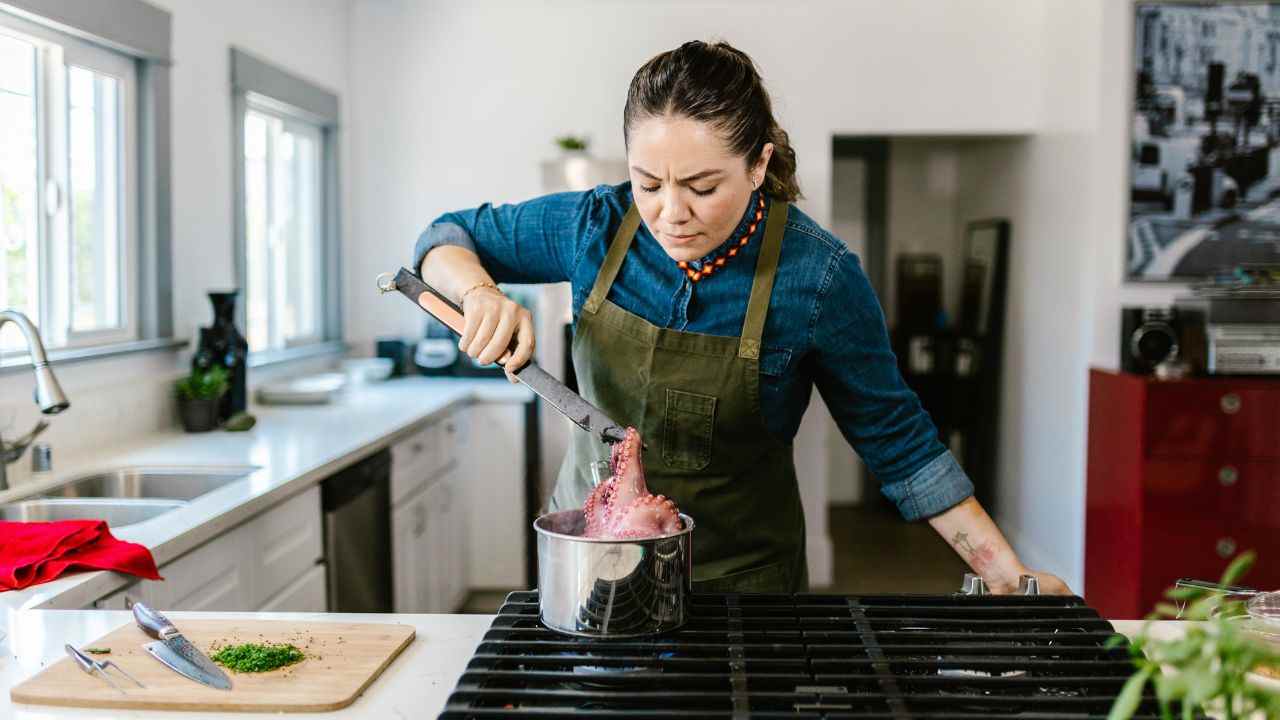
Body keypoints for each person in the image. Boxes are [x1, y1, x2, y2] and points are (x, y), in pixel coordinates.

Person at [414, 40, 1070, 595]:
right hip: (596, 560)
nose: (671, 211)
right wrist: (478, 294)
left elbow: (900, 443)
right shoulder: (595, 225)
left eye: (702, 187)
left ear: (758, 165)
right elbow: (446, 237)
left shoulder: (817, 276)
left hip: (741, 581)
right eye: (648, 183)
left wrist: (1008, 576)